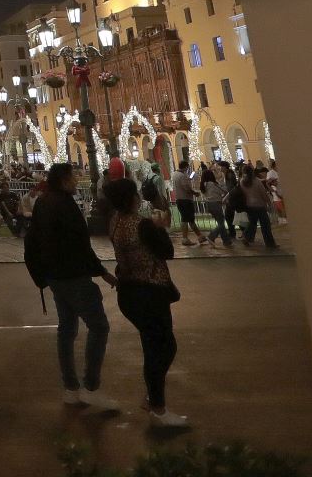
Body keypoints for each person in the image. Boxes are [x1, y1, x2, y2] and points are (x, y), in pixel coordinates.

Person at [23, 163, 119, 412]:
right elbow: (80, 245)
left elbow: (33, 240)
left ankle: (71, 388)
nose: (77, 181)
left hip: (54, 276)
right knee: (98, 326)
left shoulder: (43, 202)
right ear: (64, 180)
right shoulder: (65, 205)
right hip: (74, 275)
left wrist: (41, 275)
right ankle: (91, 387)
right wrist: (103, 273)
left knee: (66, 328)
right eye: (73, 177)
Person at [106, 176, 188, 428]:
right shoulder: (142, 225)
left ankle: (153, 397)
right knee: (164, 347)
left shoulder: (115, 221)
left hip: (129, 292)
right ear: (131, 198)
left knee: (152, 346)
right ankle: (157, 407)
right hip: (149, 291)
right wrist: (159, 227)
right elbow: (167, 252)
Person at [170, 163, 210, 248]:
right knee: (186, 219)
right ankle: (185, 238)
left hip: (179, 199)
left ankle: (200, 236)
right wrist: (195, 193)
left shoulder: (175, 174)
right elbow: (187, 188)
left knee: (190, 219)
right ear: (185, 167)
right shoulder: (182, 176)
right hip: (185, 200)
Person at [239, 165, 278, 248]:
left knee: (252, 223)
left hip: (249, 205)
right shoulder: (256, 181)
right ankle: (270, 243)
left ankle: (246, 237)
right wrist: (269, 203)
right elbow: (263, 193)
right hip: (259, 205)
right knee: (265, 225)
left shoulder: (242, 181)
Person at [199, 164, 234, 247]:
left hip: (209, 204)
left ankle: (226, 241)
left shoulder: (204, 185)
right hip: (215, 204)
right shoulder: (212, 184)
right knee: (221, 223)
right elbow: (223, 191)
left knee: (220, 223)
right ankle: (211, 236)